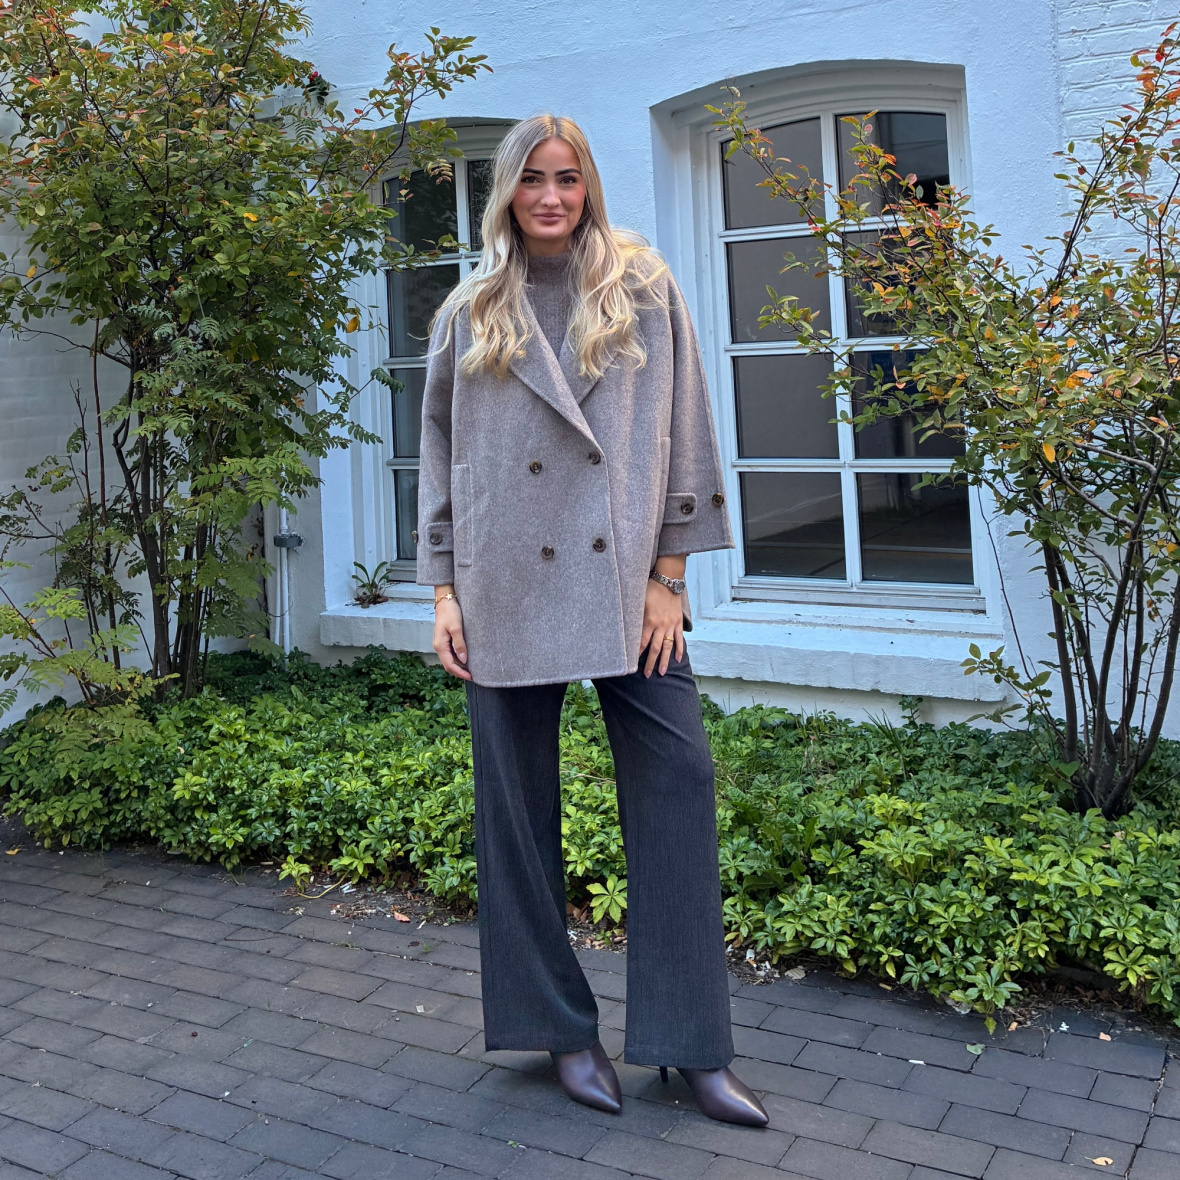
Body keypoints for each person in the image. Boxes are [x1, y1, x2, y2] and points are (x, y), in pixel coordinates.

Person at [414, 112, 768, 1127]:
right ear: (507, 193)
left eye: (567, 178)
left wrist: (670, 574)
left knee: (677, 786)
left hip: (627, 585)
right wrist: (442, 591)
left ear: (589, 187)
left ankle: (690, 1046)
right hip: (503, 583)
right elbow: (438, 453)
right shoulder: (472, 309)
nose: (551, 196)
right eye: (532, 179)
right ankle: (559, 1030)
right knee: (515, 814)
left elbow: (687, 424)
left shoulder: (642, 287)